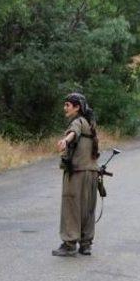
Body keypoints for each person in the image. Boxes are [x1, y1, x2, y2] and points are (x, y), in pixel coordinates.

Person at [52, 93, 100, 257]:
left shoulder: (78, 122)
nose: (65, 108)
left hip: (77, 173)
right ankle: (86, 245)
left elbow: (73, 132)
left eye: (68, 105)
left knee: (71, 207)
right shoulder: (90, 123)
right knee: (87, 210)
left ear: (77, 107)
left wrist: (65, 140)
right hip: (92, 173)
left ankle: (69, 243)